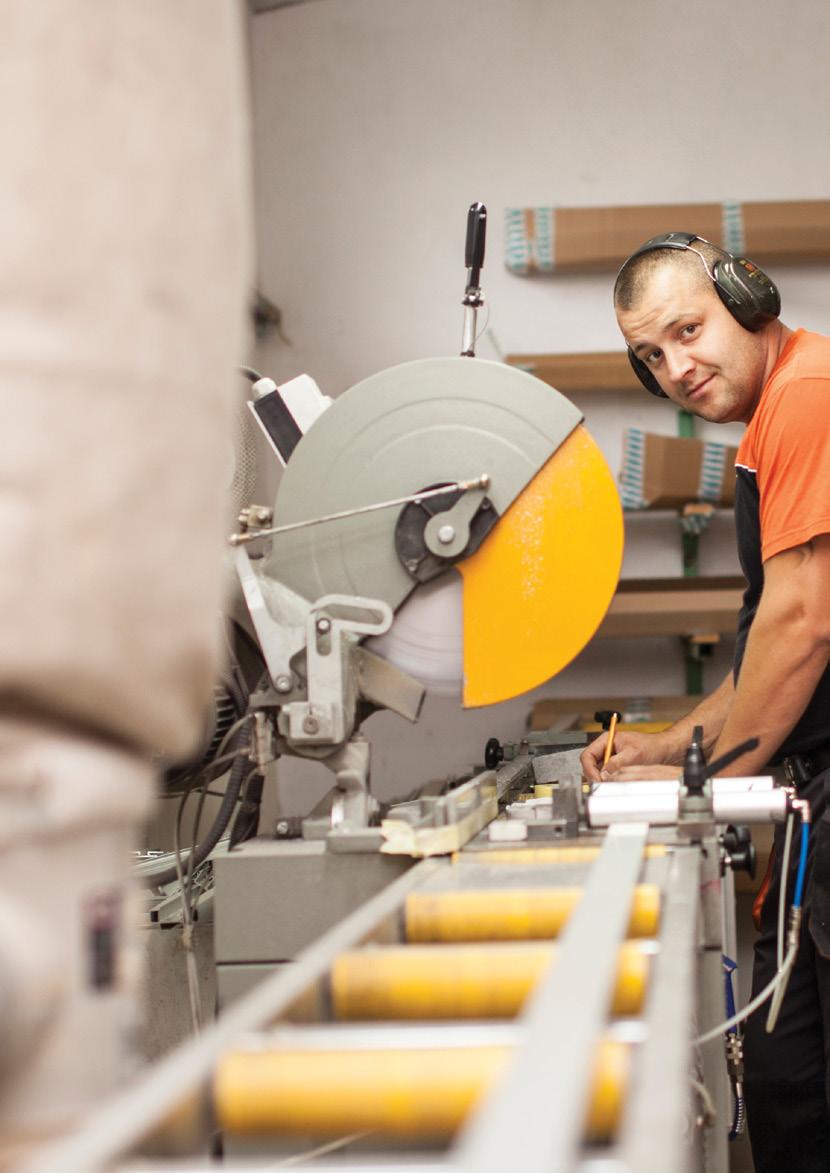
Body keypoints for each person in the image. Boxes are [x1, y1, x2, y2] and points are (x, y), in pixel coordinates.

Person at [580, 232, 830, 1173]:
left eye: (689, 331)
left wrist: (707, 785)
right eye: (652, 355)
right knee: (781, 1077)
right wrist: (667, 747)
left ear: (746, 298)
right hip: (814, 808)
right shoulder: (773, 424)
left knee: (799, 1088)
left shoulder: (808, 397)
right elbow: (769, 637)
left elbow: (806, 625)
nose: (677, 367)